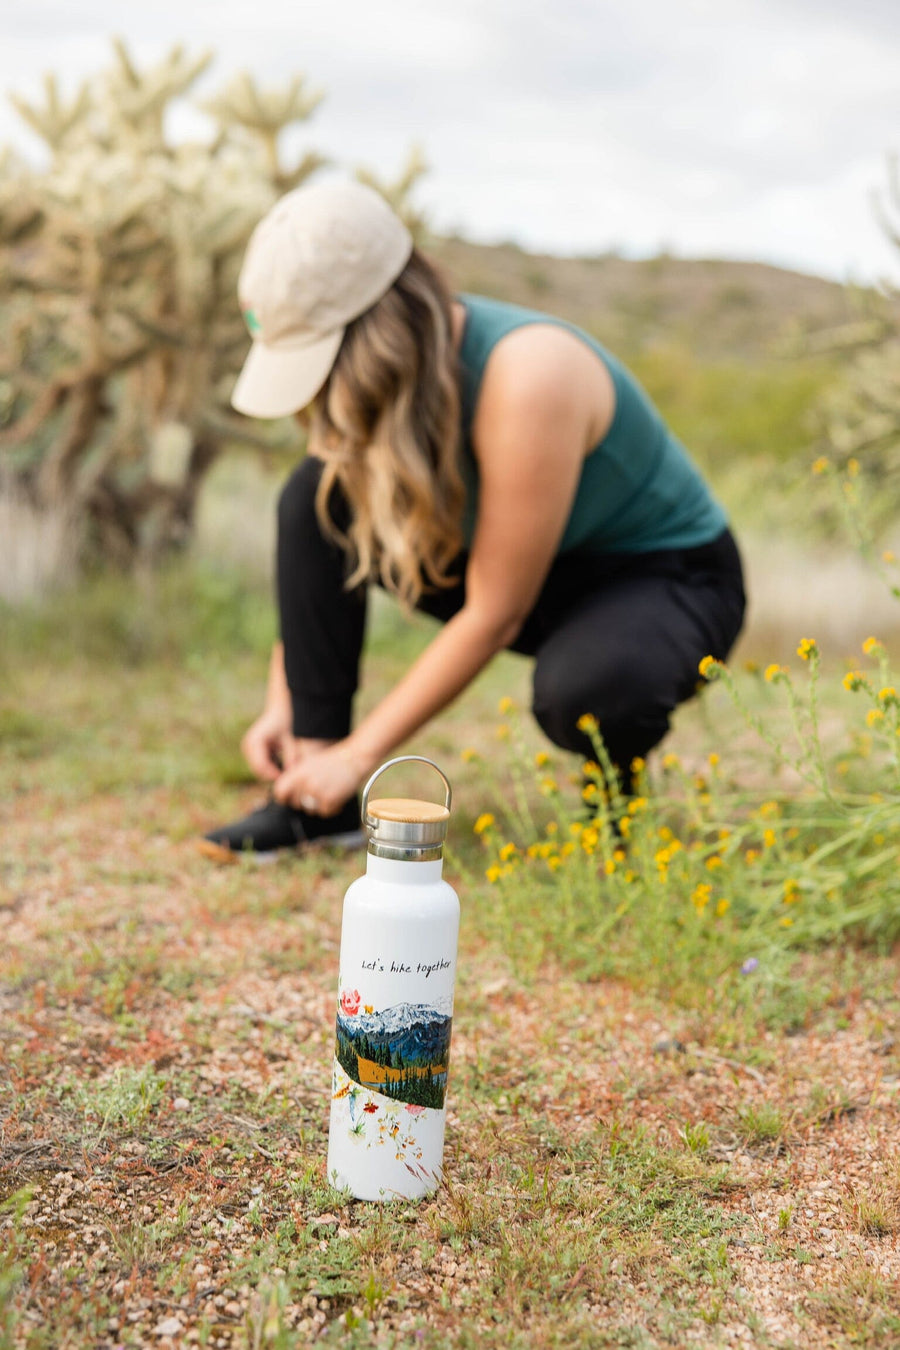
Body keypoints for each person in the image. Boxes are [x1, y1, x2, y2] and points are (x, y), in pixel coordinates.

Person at [202, 178, 745, 858]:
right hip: (532, 572)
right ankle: (316, 796)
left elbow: (496, 612)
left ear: (378, 331)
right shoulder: (395, 389)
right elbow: (323, 541)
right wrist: (287, 701)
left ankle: (615, 809)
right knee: (315, 495)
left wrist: (364, 757)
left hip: (661, 579)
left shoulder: (529, 373)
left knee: (589, 686)